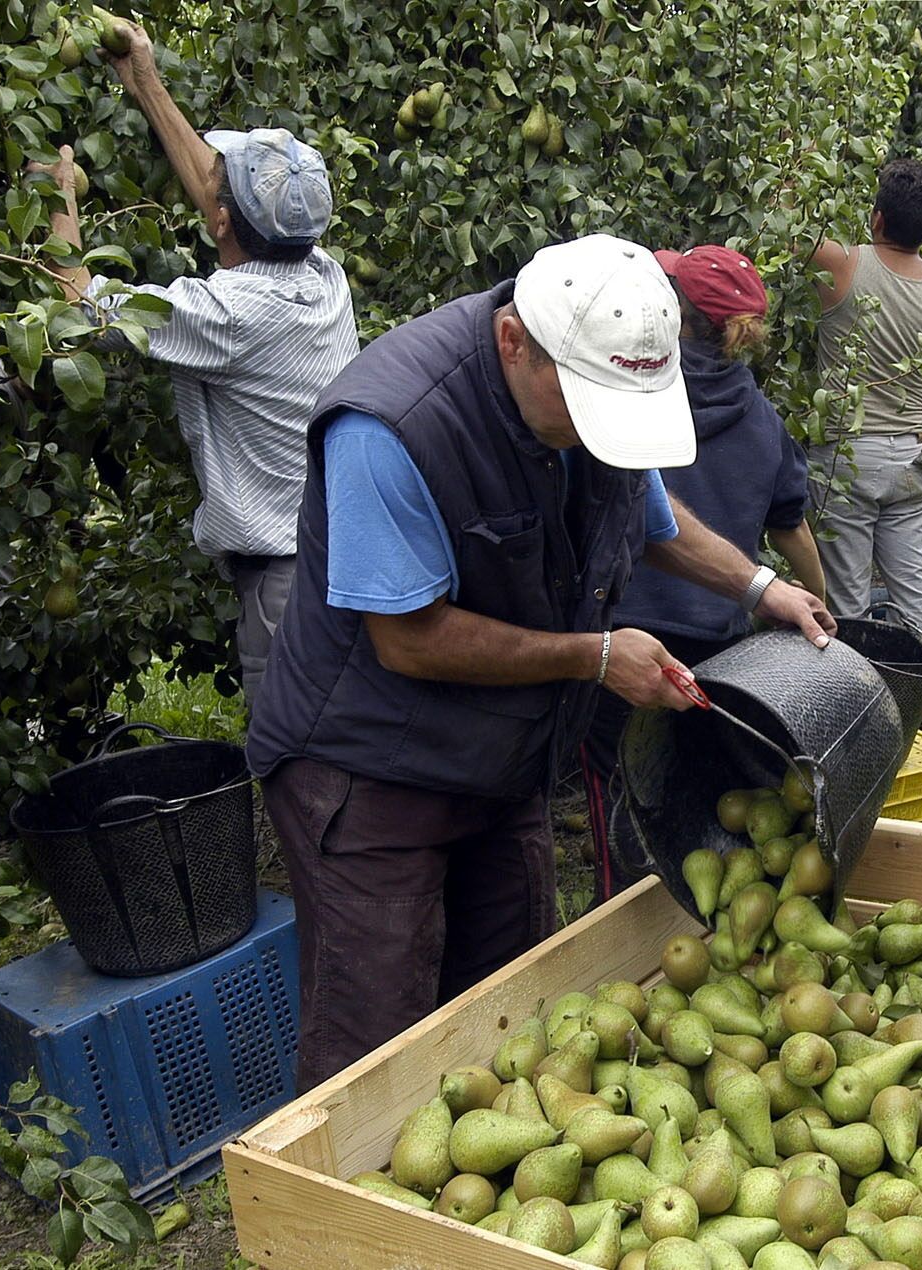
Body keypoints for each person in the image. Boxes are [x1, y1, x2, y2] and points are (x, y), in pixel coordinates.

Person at [246, 233, 836, 1089]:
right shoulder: (392, 426)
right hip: (370, 771)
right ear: (514, 341)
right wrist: (594, 657)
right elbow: (407, 637)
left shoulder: (584, 401)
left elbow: (650, 519)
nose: (601, 436)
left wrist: (758, 586)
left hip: (500, 757)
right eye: (587, 408)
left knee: (512, 1006)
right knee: (376, 1038)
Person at [29, 24, 358, 704]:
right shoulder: (323, 271)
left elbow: (77, 305)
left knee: (294, 747)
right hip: (335, 554)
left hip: (286, 585)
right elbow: (220, 196)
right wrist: (144, 82)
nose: (210, 182)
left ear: (223, 223)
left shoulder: (227, 314)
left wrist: (57, 197)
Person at [579, 244, 826, 903]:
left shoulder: (628, 399)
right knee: (703, 788)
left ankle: (621, 917)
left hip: (626, 639)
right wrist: (819, 598)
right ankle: (703, 908)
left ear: (671, 314)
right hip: (718, 647)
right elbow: (790, 525)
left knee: (623, 790)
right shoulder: (763, 421)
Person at [808, 158, 922, 726]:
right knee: (915, 586)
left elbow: (785, 226)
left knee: (847, 596)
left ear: (876, 217)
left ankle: (857, 713)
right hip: (909, 456)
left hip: (846, 456)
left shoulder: (839, 263)